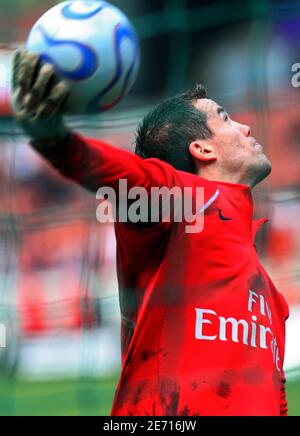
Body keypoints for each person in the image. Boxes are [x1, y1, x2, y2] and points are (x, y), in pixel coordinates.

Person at [12, 48, 289, 416]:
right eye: (226, 119)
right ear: (201, 148)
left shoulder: (271, 295)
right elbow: (128, 177)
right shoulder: (180, 204)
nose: (246, 127)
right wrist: (57, 141)